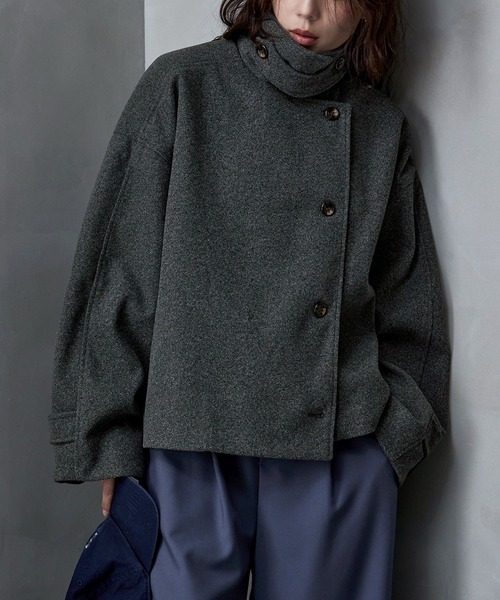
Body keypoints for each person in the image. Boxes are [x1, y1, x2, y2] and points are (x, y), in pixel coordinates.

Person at [48, 0, 451, 598]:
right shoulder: (183, 85)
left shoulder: (379, 126)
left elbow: (410, 303)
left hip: (335, 447)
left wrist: (390, 445)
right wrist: (110, 440)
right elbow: (118, 272)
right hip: (190, 442)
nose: (306, 10)